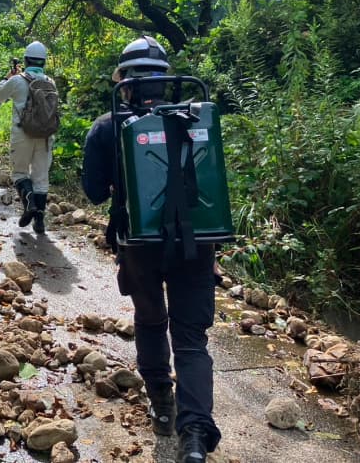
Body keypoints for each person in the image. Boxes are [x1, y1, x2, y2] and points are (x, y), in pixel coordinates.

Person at [81, 36, 221, 463]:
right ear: (164, 79)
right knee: (192, 339)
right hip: (197, 245)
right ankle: (195, 436)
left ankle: (162, 402)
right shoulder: (197, 117)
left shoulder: (108, 126)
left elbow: (93, 194)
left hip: (139, 247)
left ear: (124, 81)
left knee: (149, 319)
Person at [0, 41, 57, 234]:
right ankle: (39, 223)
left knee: (20, 173)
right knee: (41, 178)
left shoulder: (18, 80)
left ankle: (29, 202)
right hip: (46, 135)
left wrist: (7, 78)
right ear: (44, 62)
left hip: (22, 133)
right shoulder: (50, 82)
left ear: (26, 59)